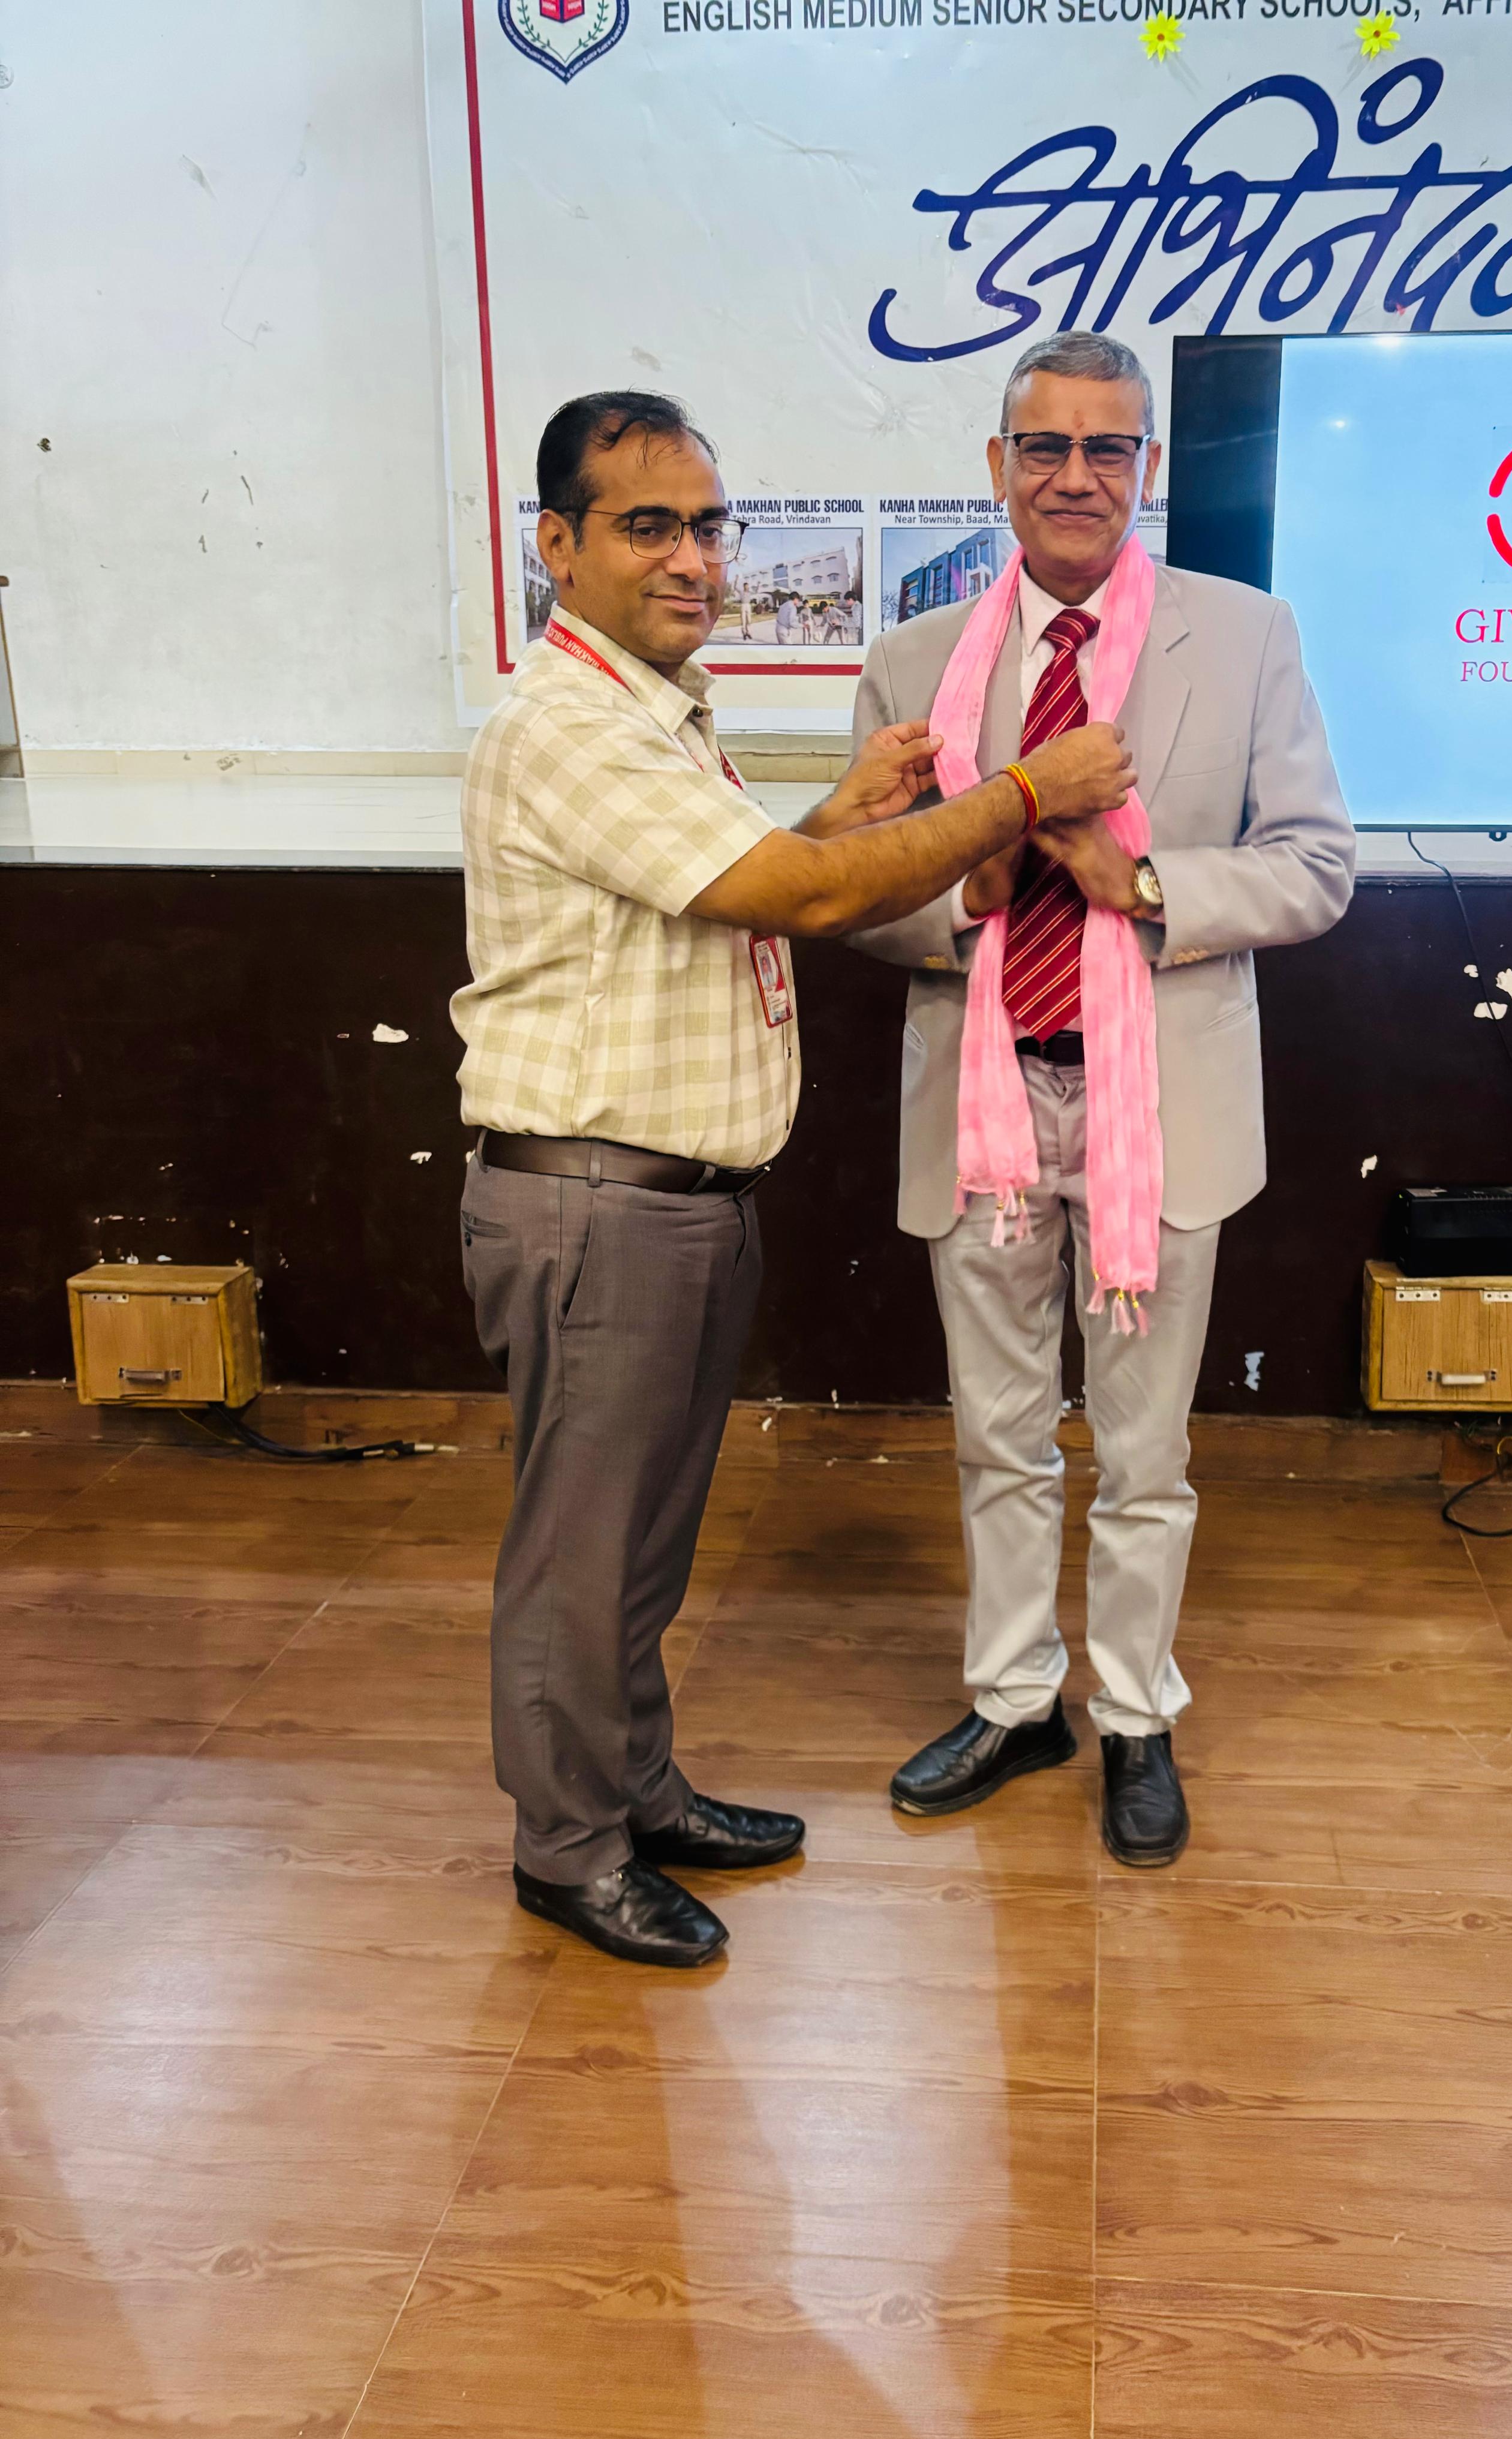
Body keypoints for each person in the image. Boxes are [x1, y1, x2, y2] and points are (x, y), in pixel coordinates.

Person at [453, 388, 1135, 1970]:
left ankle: (632, 1788)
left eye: (707, 526)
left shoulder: (655, 713)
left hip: (669, 1204)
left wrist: (833, 817)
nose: (691, 558)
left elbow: (728, 894)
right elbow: (803, 898)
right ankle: (567, 1851)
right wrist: (1024, 793)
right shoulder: (567, 725)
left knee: (641, 1544)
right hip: (599, 1206)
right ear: (556, 544)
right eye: (647, 525)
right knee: (580, 1553)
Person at [850, 333, 1355, 1866]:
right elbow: (855, 893)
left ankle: (1137, 1712)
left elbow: (1317, 866)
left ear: (1147, 468)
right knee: (996, 1431)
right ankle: (1016, 1701)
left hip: (1162, 1109)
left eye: (1108, 448)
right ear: (997, 466)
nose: (1076, 476)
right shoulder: (912, 661)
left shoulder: (1245, 635)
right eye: (1046, 446)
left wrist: (1139, 883)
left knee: (1145, 1450)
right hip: (983, 1103)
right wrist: (969, 886)